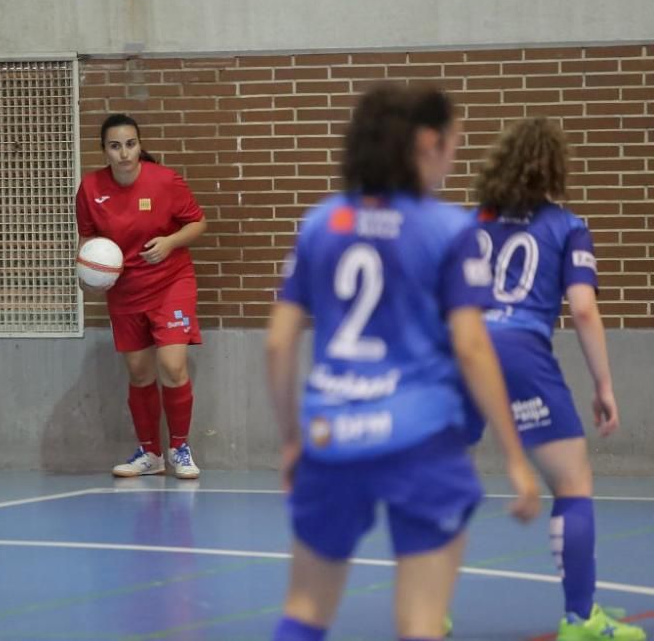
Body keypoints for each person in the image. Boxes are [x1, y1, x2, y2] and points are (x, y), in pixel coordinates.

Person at [266, 84, 540, 641]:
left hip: (332, 436)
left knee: (305, 611)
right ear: (428, 142)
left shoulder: (321, 223)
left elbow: (278, 343)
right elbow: (471, 345)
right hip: (420, 442)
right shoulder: (448, 230)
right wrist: (514, 456)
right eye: (454, 143)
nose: (455, 156)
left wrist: (293, 440)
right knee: (420, 625)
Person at [470, 118, 646, 641]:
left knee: (443, 482)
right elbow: (585, 311)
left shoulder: (473, 223)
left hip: (461, 351)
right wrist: (605, 386)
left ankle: (427, 610)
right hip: (520, 352)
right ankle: (580, 618)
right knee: (573, 485)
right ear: (554, 167)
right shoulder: (566, 225)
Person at [75, 114, 208, 479]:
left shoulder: (165, 181)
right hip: (126, 289)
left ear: (139, 144)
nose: (124, 153)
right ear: (104, 150)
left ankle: (179, 447)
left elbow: (197, 221)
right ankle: (150, 454)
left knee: (172, 365)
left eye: (130, 144)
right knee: (139, 372)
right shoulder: (90, 189)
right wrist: (90, 273)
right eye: (115, 146)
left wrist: (170, 243)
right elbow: (88, 241)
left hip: (170, 282)